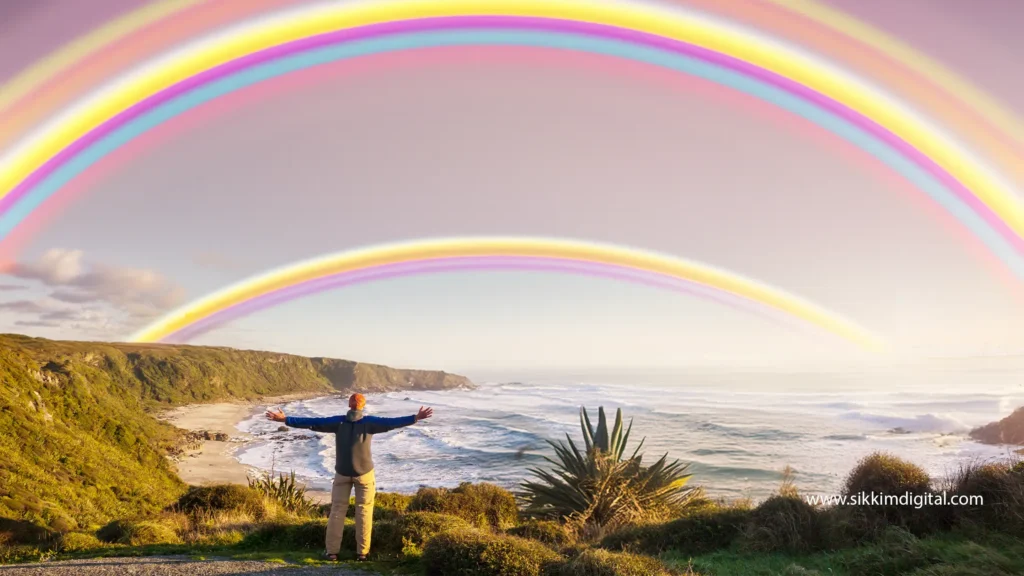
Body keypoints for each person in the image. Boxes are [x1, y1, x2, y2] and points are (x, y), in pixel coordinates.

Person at [265, 393, 433, 561]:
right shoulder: (370, 422)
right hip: (364, 474)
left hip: (342, 473)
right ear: (363, 406)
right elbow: (391, 423)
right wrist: (415, 417)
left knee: (337, 512)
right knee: (364, 511)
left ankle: (331, 552)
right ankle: (362, 553)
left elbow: (313, 422)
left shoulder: (338, 422)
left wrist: (285, 419)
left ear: (349, 405)